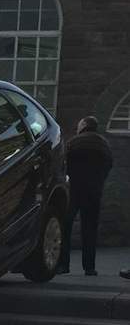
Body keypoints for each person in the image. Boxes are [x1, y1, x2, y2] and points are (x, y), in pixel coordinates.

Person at [57, 116, 112, 277]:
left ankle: (63, 265)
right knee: (90, 229)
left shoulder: (74, 142)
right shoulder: (104, 144)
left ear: (84, 125)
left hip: (74, 190)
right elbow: (109, 163)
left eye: (79, 124)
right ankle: (89, 267)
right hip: (94, 191)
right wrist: (99, 180)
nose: (77, 126)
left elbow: (63, 163)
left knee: (65, 226)